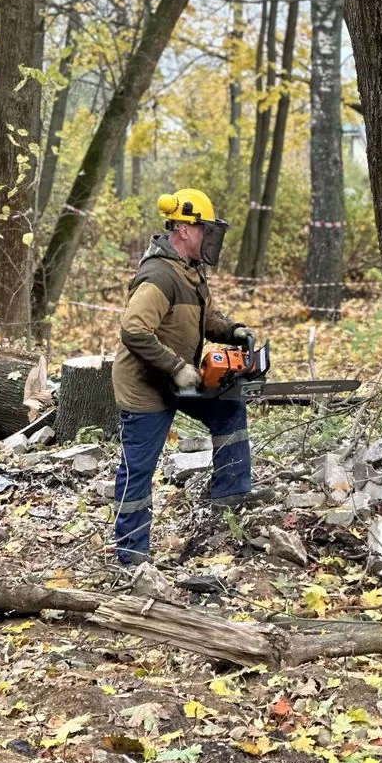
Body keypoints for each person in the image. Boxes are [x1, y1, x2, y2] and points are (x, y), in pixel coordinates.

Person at [111, 188, 269, 565]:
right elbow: (133, 331)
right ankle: (131, 556)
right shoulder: (159, 276)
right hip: (146, 385)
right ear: (183, 228)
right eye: (204, 230)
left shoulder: (192, 273)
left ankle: (230, 501)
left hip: (181, 376)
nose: (209, 239)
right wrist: (176, 367)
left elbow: (207, 318)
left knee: (229, 408)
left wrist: (234, 331)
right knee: (139, 469)